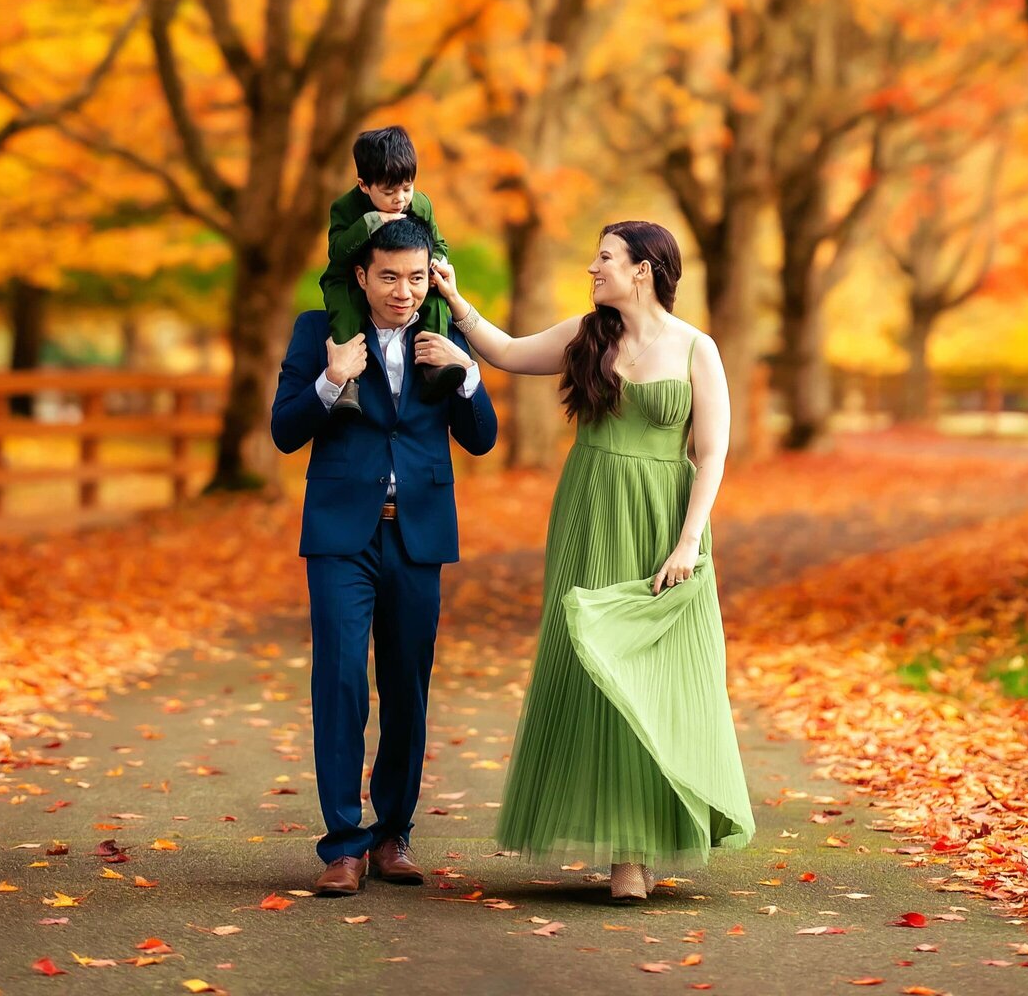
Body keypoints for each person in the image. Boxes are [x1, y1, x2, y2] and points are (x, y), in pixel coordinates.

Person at [430, 220, 753, 903]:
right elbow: (510, 352)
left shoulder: (698, 348)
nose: (592, 267)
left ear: (644, 269)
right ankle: (623, 853)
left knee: (657, 672)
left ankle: (647, 841)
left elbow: (714, 451)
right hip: (589, 508)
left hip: (665, 517)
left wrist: (690, 541)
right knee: (595, 665)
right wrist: (458, 306)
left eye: (604, 257)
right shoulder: (587, 335)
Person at [271, 213, 497, 897]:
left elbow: (482, 438)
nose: (404, 290)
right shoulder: (321, 333)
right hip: (343, 534)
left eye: (416, 277)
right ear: (362, 277)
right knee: (340, 683)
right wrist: (331, 380)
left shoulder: (447, 334)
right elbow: (284, 430)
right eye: (390, 277)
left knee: (407, 687)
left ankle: (393, 834)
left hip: (418, 534)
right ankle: (344, 846)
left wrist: (466, 374)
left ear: (431, 277)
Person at [320, 123, 464, 405]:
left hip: (407, 274)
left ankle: (433, 364)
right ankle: (349, 383)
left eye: (407, 188)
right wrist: (373, 221)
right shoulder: (345, 208)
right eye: (389, 192)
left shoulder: (420, 204)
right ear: (364, 185)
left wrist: (436, 263)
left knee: (434, 296)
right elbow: (336, 252)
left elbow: (439, 242)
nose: (400, 199)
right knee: (344, 309)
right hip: (348, 276)